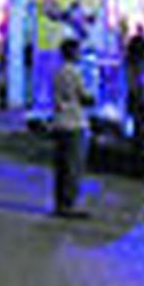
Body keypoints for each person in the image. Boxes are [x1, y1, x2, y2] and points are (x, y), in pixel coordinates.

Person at [51, 39, 95, 218]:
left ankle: (60, 202)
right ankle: (70, 204)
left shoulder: (58, 72)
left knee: (62, 167)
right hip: (75, 122)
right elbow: (84, 96)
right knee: (73, 166)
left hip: (60, 122)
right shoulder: (75, 73)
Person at [124, 32, 144, 157]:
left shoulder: (130, 63)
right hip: (138, 95)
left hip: (135, 94)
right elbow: (136, 82)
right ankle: (138, 145)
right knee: (139, 120)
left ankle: (137, 144)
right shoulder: (136, 65)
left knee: (138, 121)